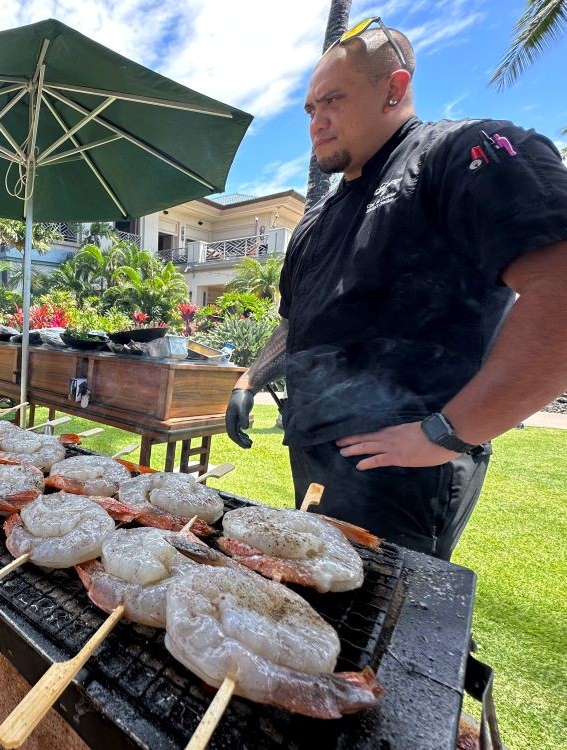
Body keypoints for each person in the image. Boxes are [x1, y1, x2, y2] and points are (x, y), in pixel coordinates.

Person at [225, 20, 567, 560]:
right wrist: (249, 379)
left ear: (395, 88)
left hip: (404, 462)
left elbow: (559, 286)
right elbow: (298, 321)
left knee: (386, 621)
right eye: (311, 109)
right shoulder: (317, 221)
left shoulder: (458, 152)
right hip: (315, 445)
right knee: (318, 596)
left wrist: (446, 433)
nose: (317, 121)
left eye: (333, 100)